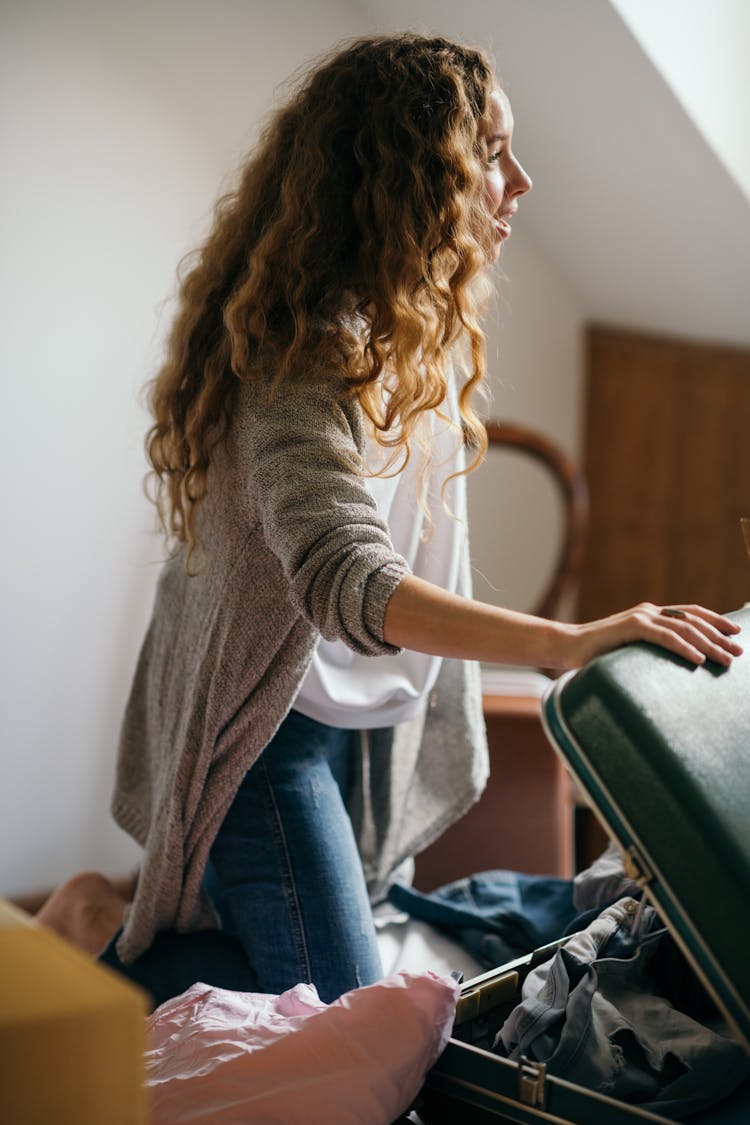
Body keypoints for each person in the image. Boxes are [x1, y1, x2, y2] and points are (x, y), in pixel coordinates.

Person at [46, 34, 741, 1009]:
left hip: (357, 729)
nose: (525, 182)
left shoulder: (424, 330)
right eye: (493, 154)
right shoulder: (300, 359)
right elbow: (347, 580)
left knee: (383, 952)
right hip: (270, 742)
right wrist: (566, 641)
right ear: (415, 176)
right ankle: (98, 936)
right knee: (350, 1022)